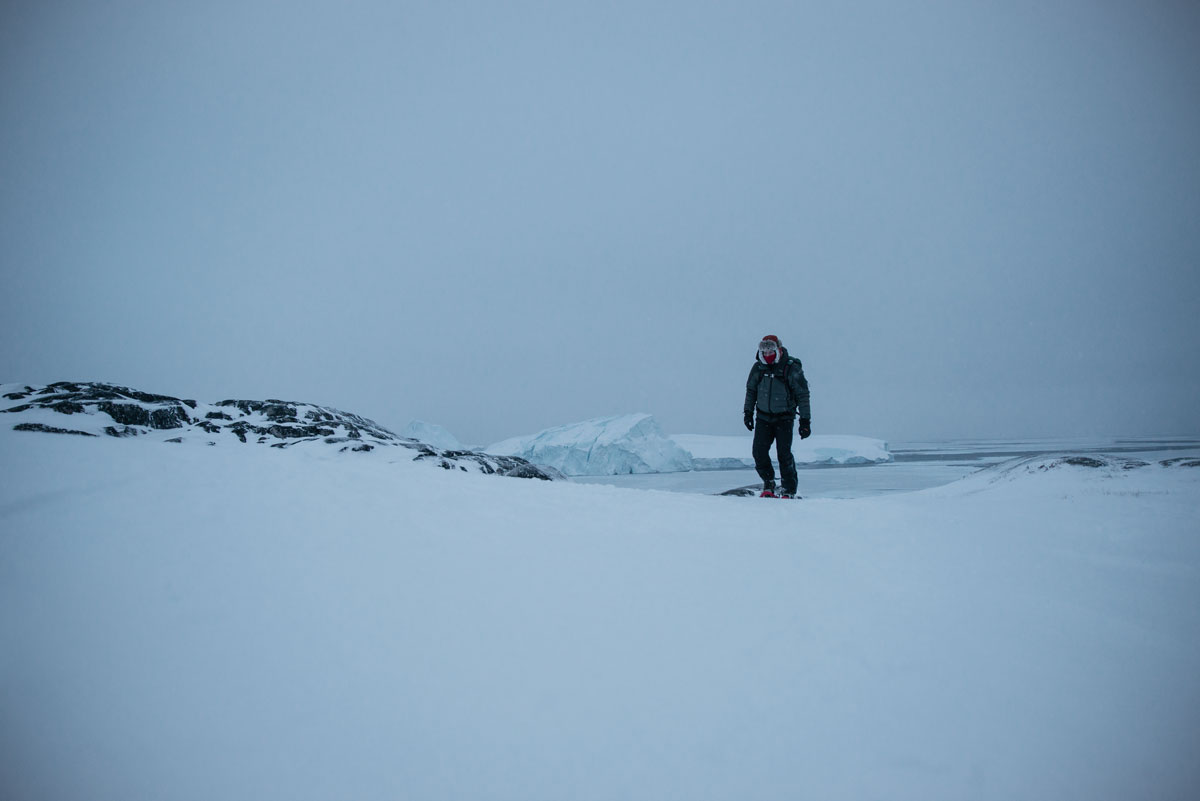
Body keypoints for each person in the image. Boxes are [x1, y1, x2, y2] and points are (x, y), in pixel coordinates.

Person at [743, 335, 811, 498]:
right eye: (764, 350)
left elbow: (803, 394)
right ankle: (769, 483)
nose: (767, 353)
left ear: (777, 349)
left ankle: (789, 489)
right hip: (763, 417)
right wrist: (748, 413)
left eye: (770, 349)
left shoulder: (791, 368)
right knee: (759, 452)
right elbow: (751, 391)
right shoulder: (758, 368)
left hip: (784, 418)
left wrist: (805, 421)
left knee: (783, 453)